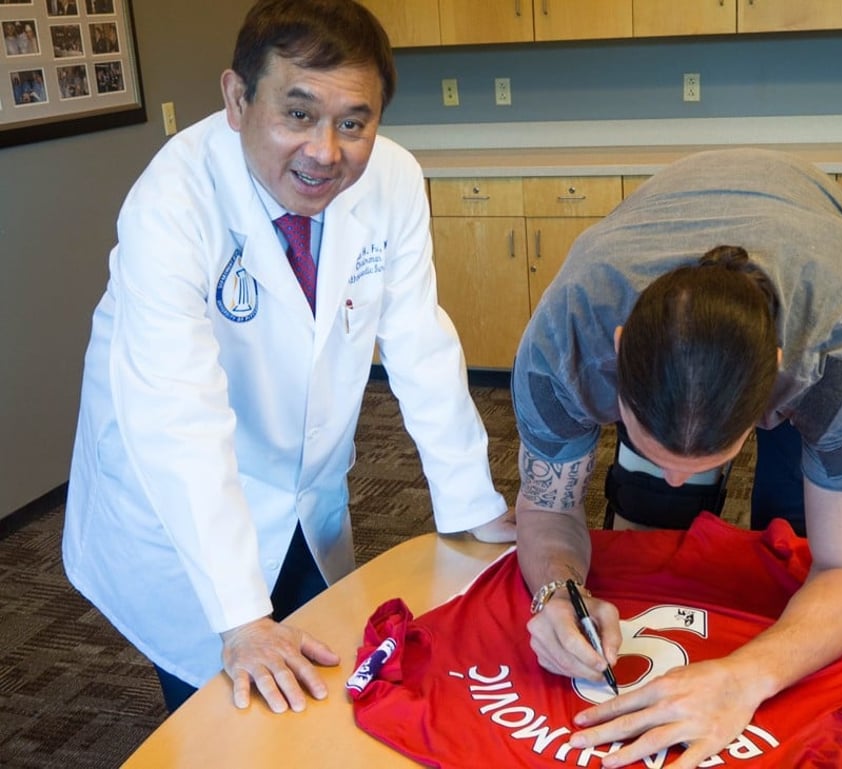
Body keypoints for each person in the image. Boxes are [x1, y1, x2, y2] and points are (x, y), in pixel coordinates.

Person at [63, 0, 513, 718]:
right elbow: (178, 415)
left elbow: (420, 340)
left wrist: (471, 504)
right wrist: (241, 618)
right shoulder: (172, 204)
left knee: (330, 682)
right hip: (177, 503)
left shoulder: (391, 180)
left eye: (353, 122)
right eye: (297, 114)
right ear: (238, 99)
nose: (325, 152)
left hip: (302, 485)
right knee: (222, 709)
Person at [512, 148, 842, 768]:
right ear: (617, 353)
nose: (677, 472)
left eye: (712, 453)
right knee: (648, 504)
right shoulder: (568, 335)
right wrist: (558, 593)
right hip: (649, 241)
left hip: (826, 239)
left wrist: (749, 676)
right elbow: (547, 511)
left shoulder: (838, 354)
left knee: (794, 524)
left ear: (776, 378)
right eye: (654, 444)